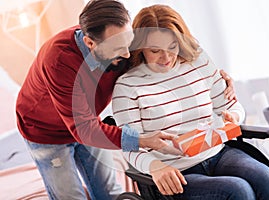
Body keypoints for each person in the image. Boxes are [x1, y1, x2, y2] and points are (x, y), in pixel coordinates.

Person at [16, 0, 235, 199]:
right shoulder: (59, 60)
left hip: (88, 121)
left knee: (110, 193)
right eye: (119, 48)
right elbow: (83, 130)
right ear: (90, 43)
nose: (129, 54)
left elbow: (167, 58)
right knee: (70, 197)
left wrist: (217, 78)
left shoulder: (120, 45)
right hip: (46, 131)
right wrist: (142, 140)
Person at [112, 4, 269, 200]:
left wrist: (233, 117)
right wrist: (155, 167)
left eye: (172, 47)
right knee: (238, 190)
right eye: (155, 50)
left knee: (265, 177)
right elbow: (129, 146)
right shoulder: (127, 86)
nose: (166, 58)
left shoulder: (199, 61)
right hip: (175, 172)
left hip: (218, 154)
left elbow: (230, 106)